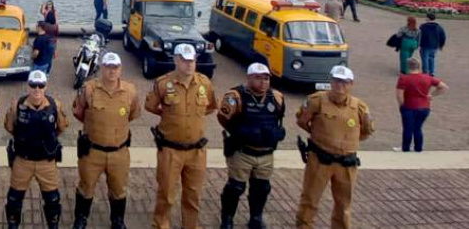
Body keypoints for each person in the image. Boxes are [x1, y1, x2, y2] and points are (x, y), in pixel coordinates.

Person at [145, 44, 217, 229]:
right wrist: (171, 116)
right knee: (166, 195)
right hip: (170, 150)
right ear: (176, 60)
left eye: (192, 60)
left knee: (193, 196)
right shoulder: (162, 83)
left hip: (196, 151)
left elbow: (209, 107)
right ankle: (160, 225)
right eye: (185, 61)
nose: (189, 65)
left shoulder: (204, 83)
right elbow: (151, 106)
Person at [295, 65, 374, 229]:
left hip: (346, 163)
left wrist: (346, 143)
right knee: (310, 199)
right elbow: (302, 121)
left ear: (351, 84)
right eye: (337, 81)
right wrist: (319, 135)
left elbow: (366, 131)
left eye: (345, 82)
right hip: (320, 160)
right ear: (331, 81)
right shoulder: (316, 101)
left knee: (344, 205)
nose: (340, 86)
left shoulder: (360, 107)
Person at [72, 52, 141, 229]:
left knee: (118, 189)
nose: (112, 71)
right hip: (92, 151)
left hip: (119, 152)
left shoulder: (130, 91)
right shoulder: (88, 88)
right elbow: (79, 112)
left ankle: (117, 220)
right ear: (102, 68)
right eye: (108, 67)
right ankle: (81, 219)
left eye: (115, 67)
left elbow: (132, 115)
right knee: (86, 186)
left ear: (120, 69)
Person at [217, 63, 285, 229]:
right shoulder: (236, 96)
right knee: (235, 188)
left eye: (266, 78)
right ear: (249, 78)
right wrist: (240, 131)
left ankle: (256, 218)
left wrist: (277, 133)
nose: (263, 82)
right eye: (258, 78)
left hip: (266, 154)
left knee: (261, 188)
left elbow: (278, 119)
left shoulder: (276, 97)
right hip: (242, 152)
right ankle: (227, 220)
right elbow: (223, 118)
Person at [4, 70, 68, 229]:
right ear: (28, 86)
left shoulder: (55, 105)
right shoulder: (17, 105)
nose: (37, 89)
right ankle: (13, 225)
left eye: (41, 85)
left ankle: (53, 225)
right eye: (33, 85)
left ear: (46, 86)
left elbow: (61, 128)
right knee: (14, 199)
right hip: (22, 161)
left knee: (52, 199)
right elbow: (10, 127)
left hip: (46, 162)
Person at [396, 57, 448, 153]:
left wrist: (402, 106)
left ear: (408, 66)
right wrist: (432, 95)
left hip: (409, 106)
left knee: (408, 128)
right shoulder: (427, 77)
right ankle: (418, 148)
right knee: (417, 127)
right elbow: (443, 87)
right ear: (419, 66)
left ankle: (405, 148)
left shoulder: (403, 79)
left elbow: (399, 95)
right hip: (424, 107)